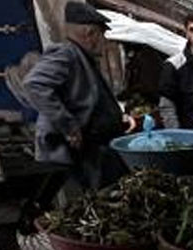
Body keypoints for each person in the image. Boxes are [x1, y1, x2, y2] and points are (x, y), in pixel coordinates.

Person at [23, 2, 127, 191]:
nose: (104, 41)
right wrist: (69, 126)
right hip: (85, 149)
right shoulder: (66, 53)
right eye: (102, 34)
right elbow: (34, 84)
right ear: (90, 34)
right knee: (102, 196)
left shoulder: (82, 57)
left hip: (100, 146)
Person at [159, 13, 193, 129]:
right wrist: (178, 138)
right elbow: (167, 107)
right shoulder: (173, 65)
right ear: (186, 32)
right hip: (190, 137)